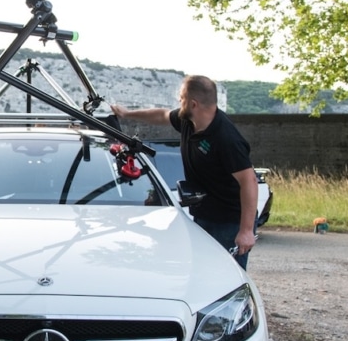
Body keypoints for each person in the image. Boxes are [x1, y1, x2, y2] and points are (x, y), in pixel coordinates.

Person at [111, 75, 259, 269]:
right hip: (205, 213)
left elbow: (249, 181)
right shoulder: (189, 122)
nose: (179, 102)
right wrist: (127, 114)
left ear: (193, 104)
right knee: (200, 270)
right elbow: (162, 115)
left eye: (181, 98)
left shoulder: (226, 138)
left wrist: (246, 231)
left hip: (229, 221)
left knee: (224, 273)